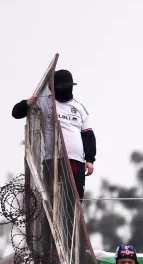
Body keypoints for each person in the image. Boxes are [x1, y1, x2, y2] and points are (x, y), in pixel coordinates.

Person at [11, 69, 96, 198]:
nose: (64, 89)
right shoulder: (44, 102)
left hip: (76, 160)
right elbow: (16, 113)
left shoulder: (79, 108)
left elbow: (88, 135)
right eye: (60, 87)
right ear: (52, 87)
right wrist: (28, 103)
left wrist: (90, 160)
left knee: (75, 200)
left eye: (67, 86)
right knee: (51, 199)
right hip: (52, 159)